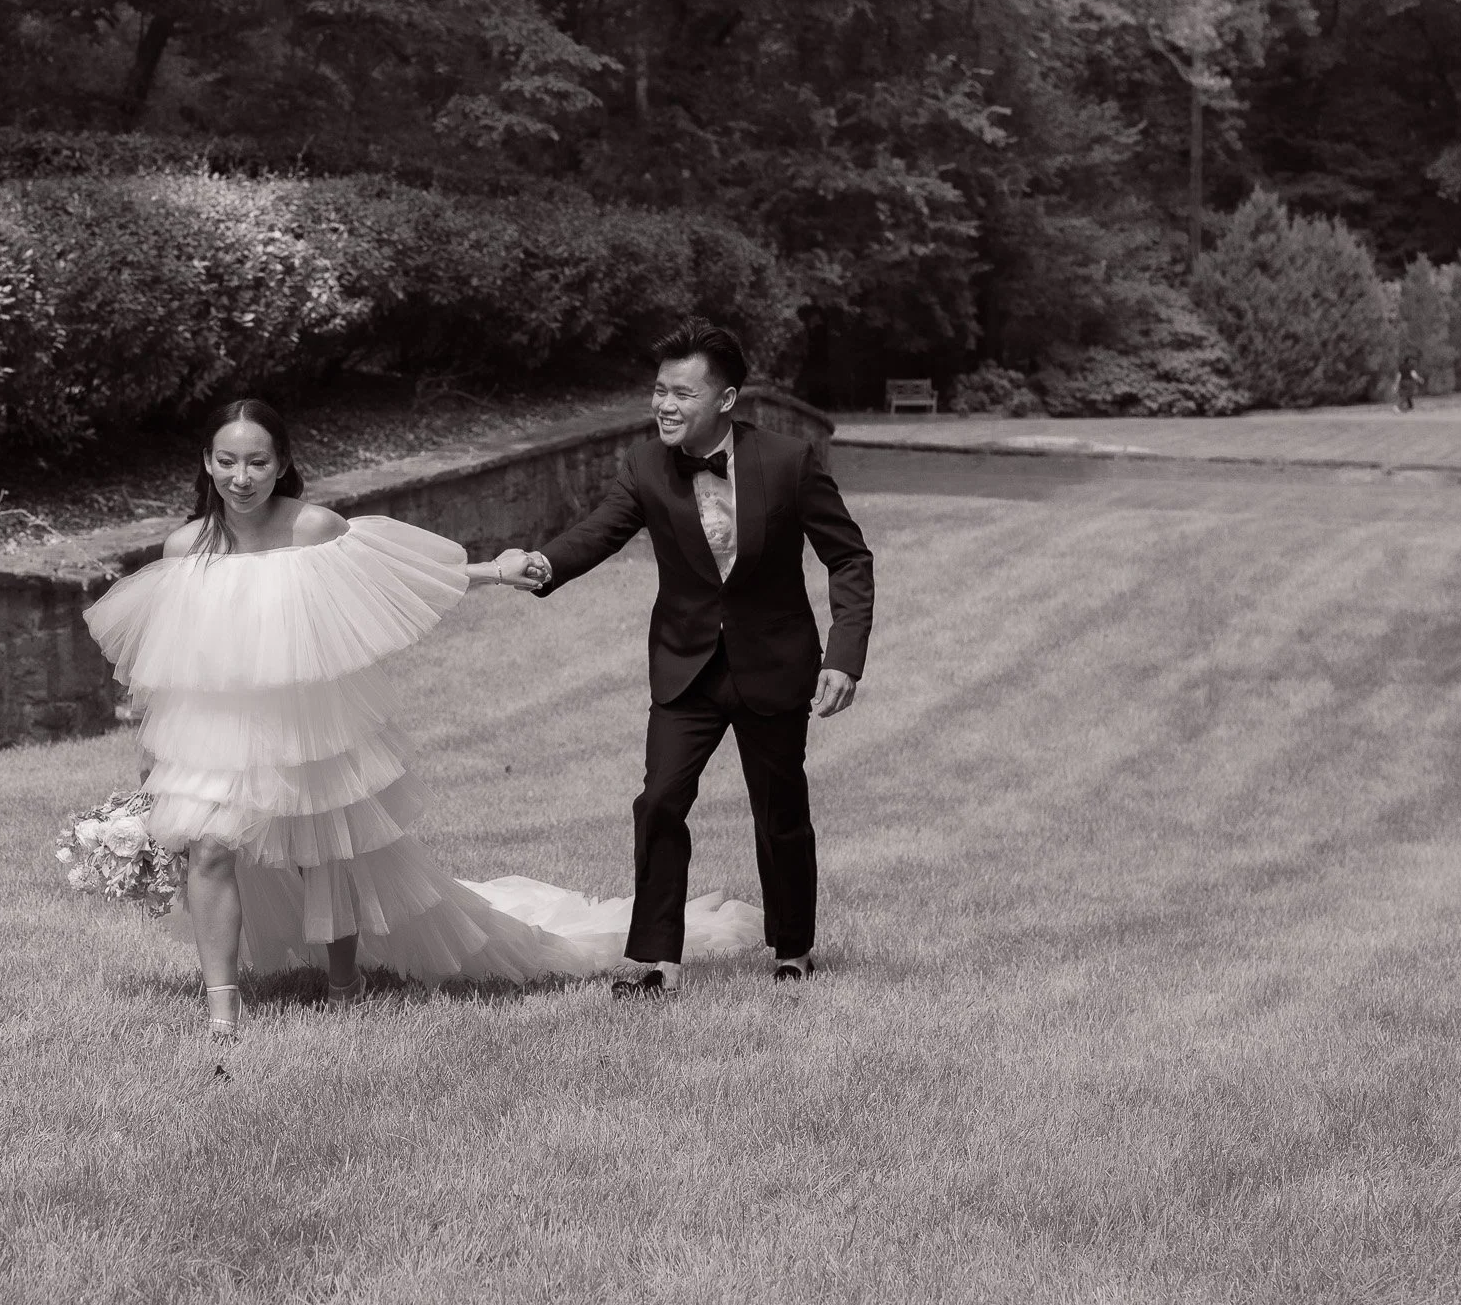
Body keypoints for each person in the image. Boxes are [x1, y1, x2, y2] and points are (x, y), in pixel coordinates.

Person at [82, 398, 761, 1038]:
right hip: (214, 733)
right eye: (227, 461)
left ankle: (345, 987)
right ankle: (221, 1016)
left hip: (308, 727)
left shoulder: (312, 529)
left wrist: (493, 574)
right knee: (210, 849)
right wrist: (153, 753)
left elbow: (396, 577)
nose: (242, 476)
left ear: (283, 463)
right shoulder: (185, 548)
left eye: (258, 461)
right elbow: (165, 664)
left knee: (325, 851)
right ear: (206, 463)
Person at [502, 319, 875, 999]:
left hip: (775, 664)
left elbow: (848, 557)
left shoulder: (788, 462)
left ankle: (793, 948)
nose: (665, 406)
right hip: (685, 667)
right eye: (658, 391)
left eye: (682, 393)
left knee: (781, 809)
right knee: (659, 802)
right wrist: (544, 564)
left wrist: (845, 655)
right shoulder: (644, 464)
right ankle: (655, 961)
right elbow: (600, 531)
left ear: (726, 400)